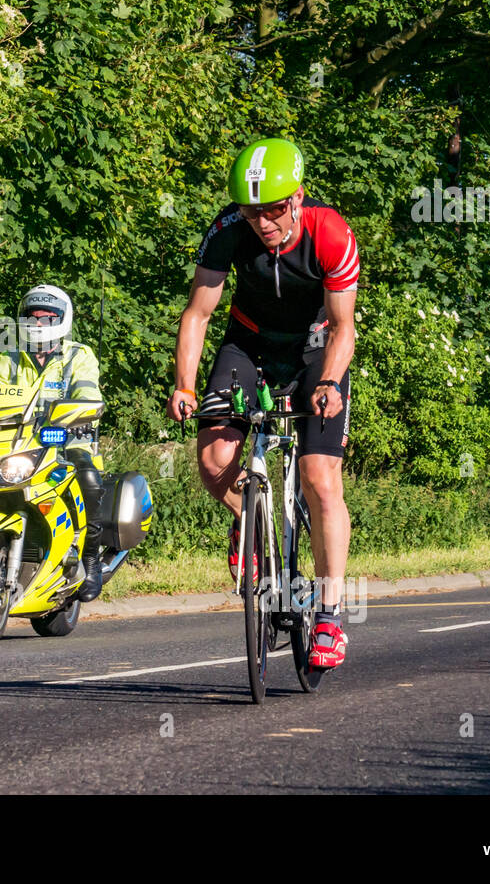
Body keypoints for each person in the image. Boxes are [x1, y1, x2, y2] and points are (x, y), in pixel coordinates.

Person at [167, 138, 359, 668]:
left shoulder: (330, 231)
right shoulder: (229, 228)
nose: (262, 222)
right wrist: (185, 385)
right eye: (252, 211)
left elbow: (343, 326)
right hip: (249, 343)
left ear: (296, 198)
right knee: (214, 460)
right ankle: (249, 524)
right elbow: (198, 314)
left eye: (273, 210)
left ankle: (330, 613)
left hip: (315, 349)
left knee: (321, 479)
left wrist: (329, 382)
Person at [0, 285, 109, 602]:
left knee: (88, 478)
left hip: (67, 440)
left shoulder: (78, 356)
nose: (38, 324)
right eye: (32, 317)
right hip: (17, 442)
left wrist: (78, 414)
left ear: (62, 320)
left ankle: (90, 557)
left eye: (47, 318)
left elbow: (88, 393)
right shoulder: (8, 358)